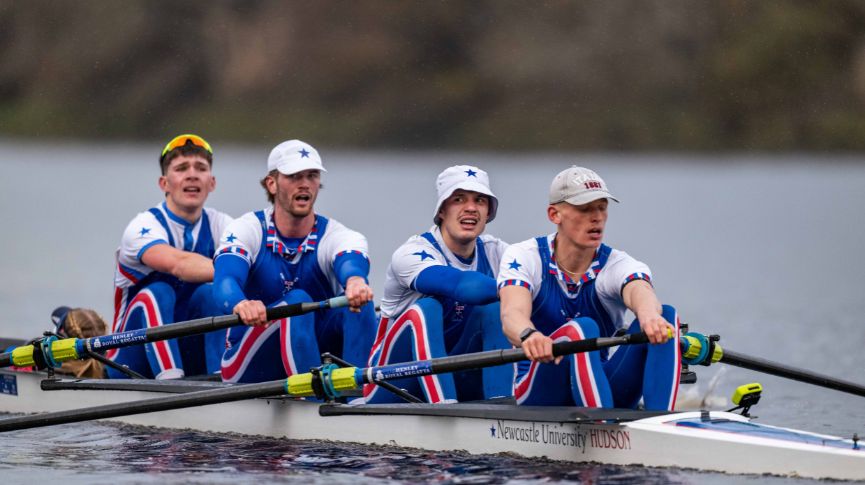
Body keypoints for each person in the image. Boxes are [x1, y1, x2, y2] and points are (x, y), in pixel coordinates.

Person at [497, 166, 680, 410]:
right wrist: (530, 335)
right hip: (540, 389)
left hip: (601, 384)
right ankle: (603, 426)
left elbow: (640, 291)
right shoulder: (523, 255)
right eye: (585, 209)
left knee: (665, 315)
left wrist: (648, 316)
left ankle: (662, 423)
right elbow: (512, 315)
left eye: (602, 207)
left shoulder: (618, 263)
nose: (596, 218)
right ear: (554, 214)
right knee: (583, 328)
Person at [213, 139, 376, 384]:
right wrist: (241, 303)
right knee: (297, 301)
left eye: (311, 175)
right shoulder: (246, 229)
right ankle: (312, 403)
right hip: (246, 362)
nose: (304, 184)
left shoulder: (338, 235)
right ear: (272, 183)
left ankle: (359, 395)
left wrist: (355, 282)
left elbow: (351, 264)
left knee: (360, 302)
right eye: (294, 176)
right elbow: (225, 280)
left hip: (317, 353)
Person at [364, 165, 512, 404]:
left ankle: (503, 406)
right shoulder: (412, 254)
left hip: (457, 372)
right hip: (391, 382)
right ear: (442, 210)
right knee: (428, 309)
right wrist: (517, 290)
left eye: (480, 200)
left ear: (488, 212)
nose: (471, 208)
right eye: (459, 199)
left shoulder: (497, 252)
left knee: (494, 309)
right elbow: (462, 286)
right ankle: (443, 406)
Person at [109, 134, 232, 379]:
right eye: (181, 168)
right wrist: (236, 270)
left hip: (189, 352)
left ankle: (222, 377)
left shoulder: (222, 224)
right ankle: (170, 379)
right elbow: (179, 265)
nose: (192, 175)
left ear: (212, 182)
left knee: (210, 294)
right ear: (164, 183)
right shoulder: (143, 227)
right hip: (129, 358)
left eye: (201, 168)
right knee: (159, 292)